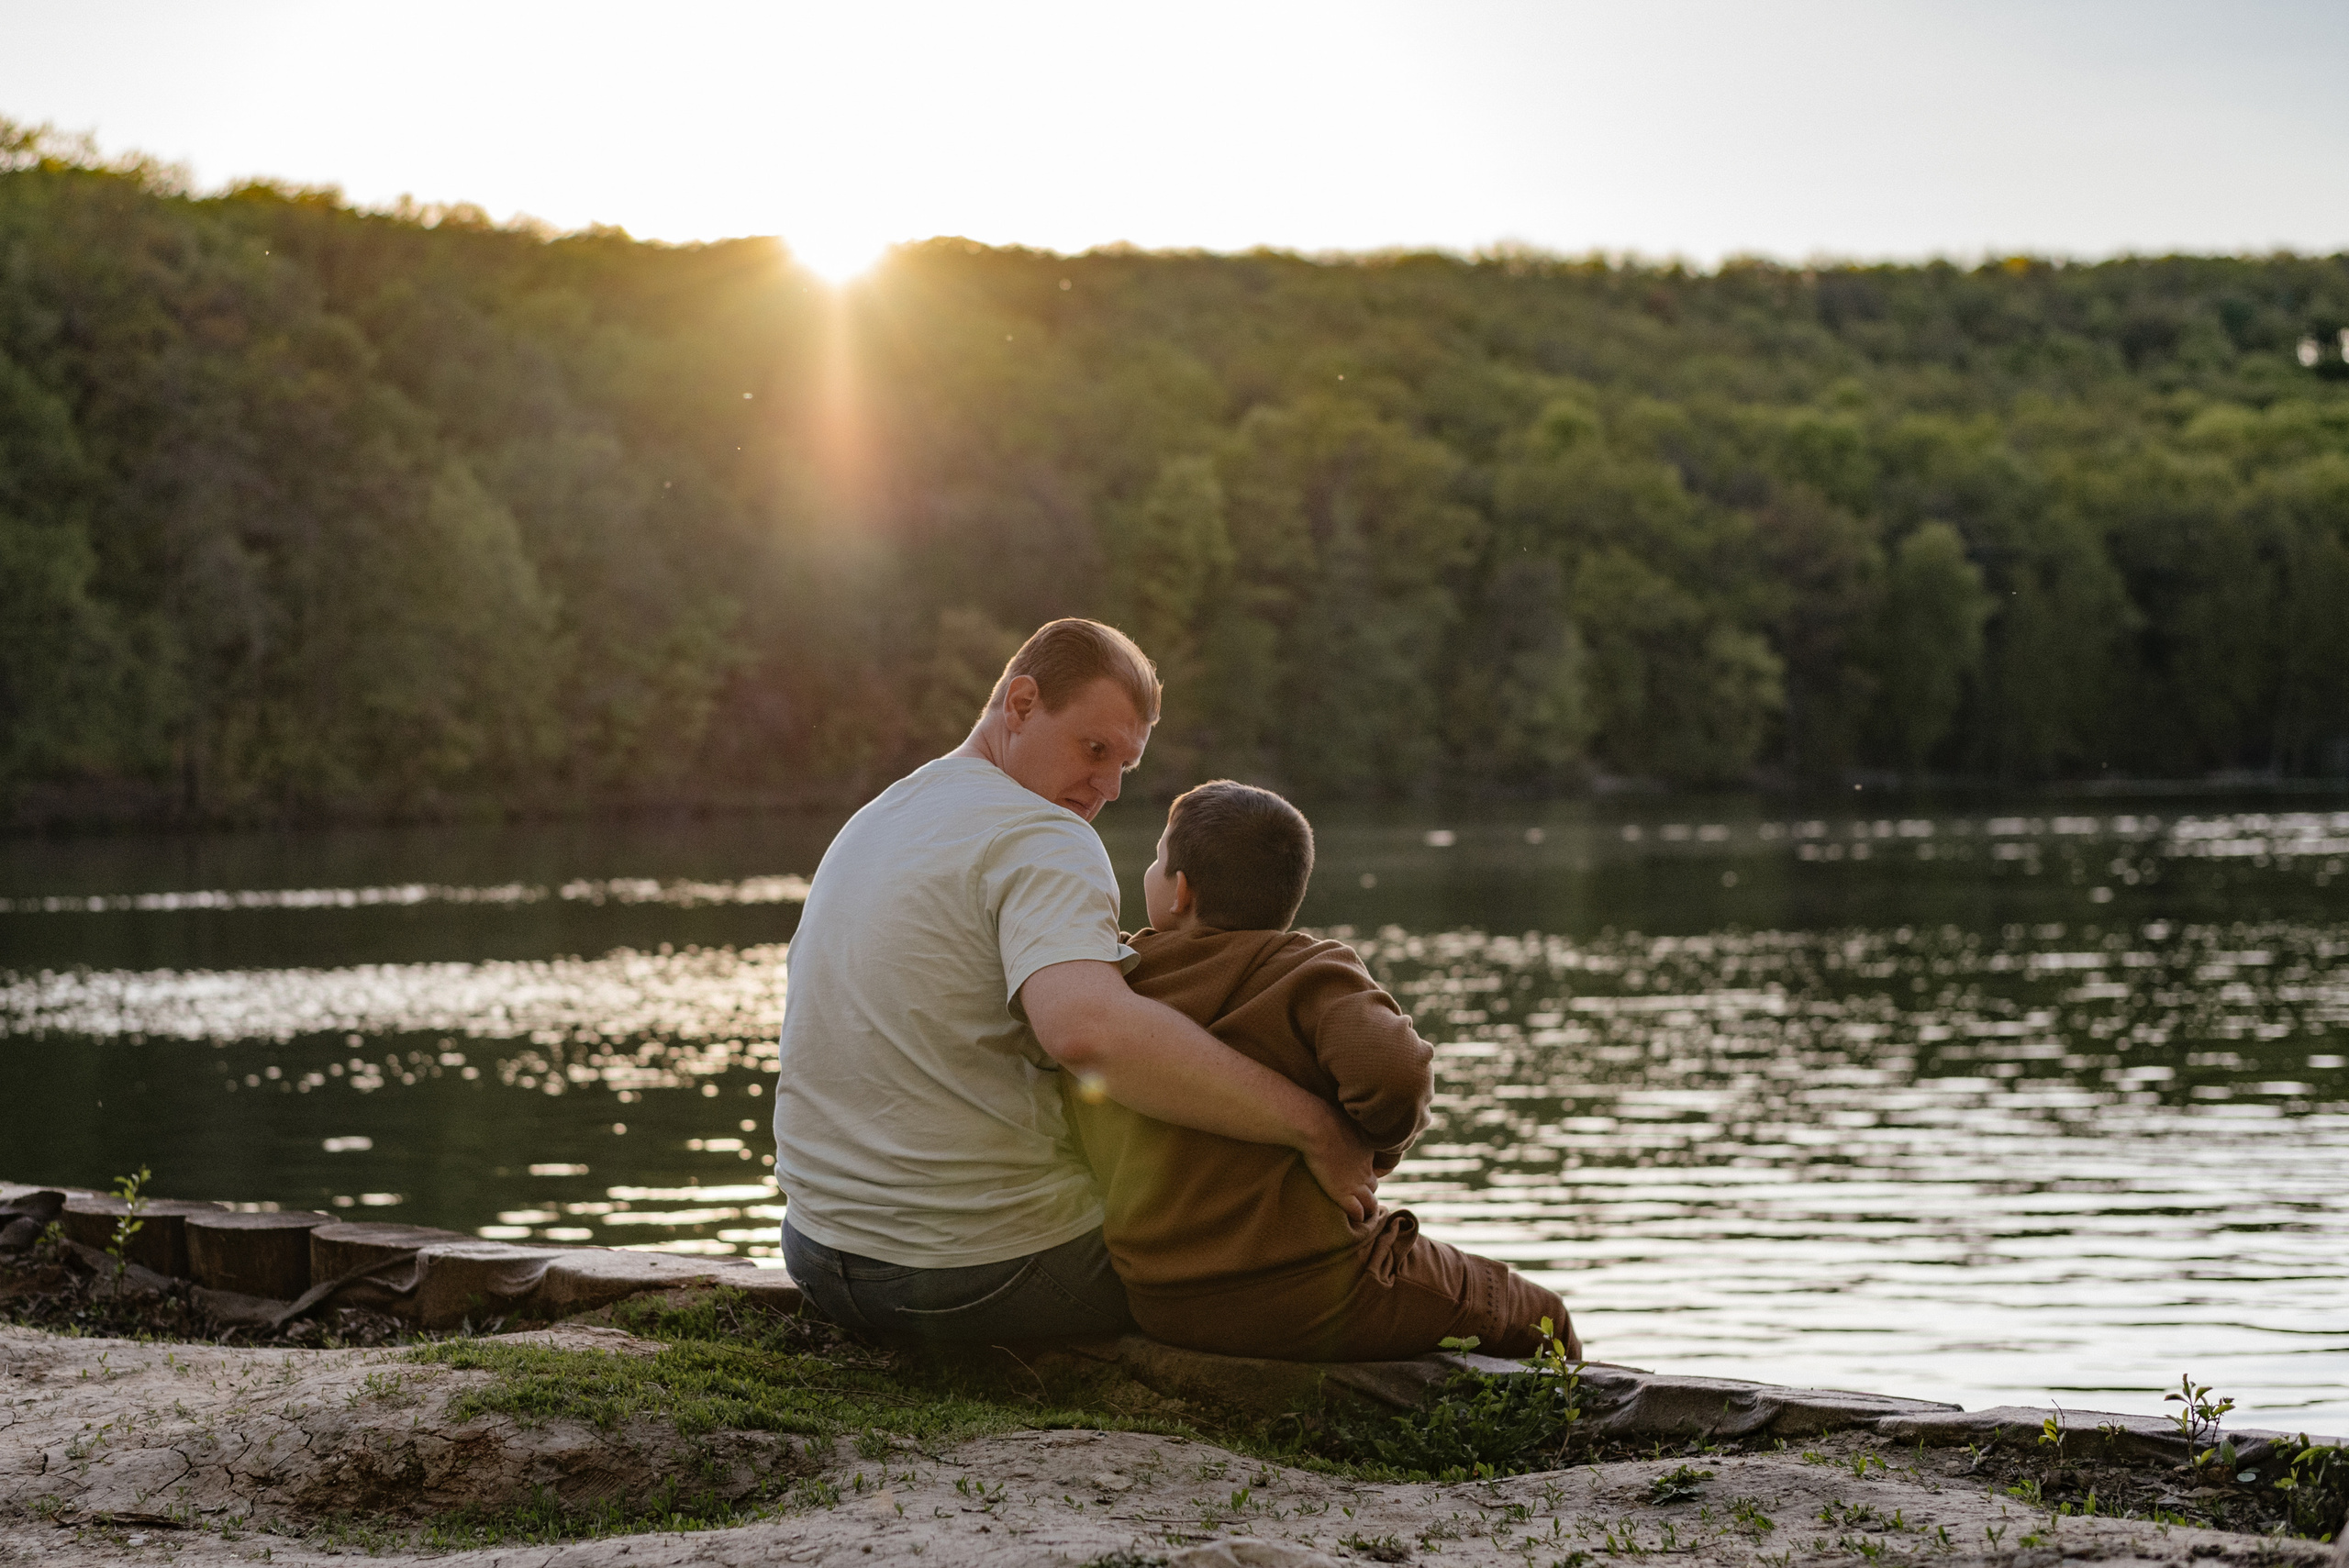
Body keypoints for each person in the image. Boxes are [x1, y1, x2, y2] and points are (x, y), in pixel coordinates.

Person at [772, 619, 1378, 1343]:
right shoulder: (1044, 835)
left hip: (818, 1253)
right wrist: (1315, 1128)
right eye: (1094, 750)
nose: (1108, 789)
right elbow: (1089, 1033)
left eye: (1125, 765)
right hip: (973, 1276)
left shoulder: (881, 816)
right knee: (1247, 1262)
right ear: (1021, 704)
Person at [1063, 780, 1578, 1362]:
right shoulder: (1312, 974)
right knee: (1544, 1317)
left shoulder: (1120, 984)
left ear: (1180, 891)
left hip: (1165, 1301)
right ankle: (1570, 1438)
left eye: (1157, 860)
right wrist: (1368, 1150)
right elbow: (1398, 1076)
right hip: (1317, 1288)